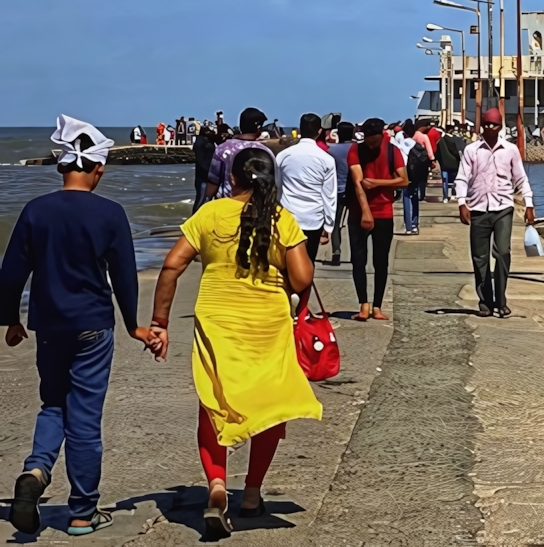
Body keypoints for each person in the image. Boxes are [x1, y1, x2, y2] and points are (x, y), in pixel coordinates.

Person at [149, 148, 322, 538]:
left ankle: (216, 487)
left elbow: (172, 265)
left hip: (217, 320)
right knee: (269, 404)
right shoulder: (280, 219)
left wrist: (160, 321)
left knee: (215, 403)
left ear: (234, 178)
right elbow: (301, 278)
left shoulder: (209, 214)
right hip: (266, 325)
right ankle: (252, 495)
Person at [0, 116, 158, 536]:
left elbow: (11, 272)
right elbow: (124, 275)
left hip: (48, 324)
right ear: (98, 168)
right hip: (93, 325)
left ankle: (35, 470)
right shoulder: (110, 213)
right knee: (85, 415)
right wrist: (134, 326)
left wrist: (11, 320)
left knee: (53, 402)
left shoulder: (36, 210)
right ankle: (82, 512)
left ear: (61, 166)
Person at [455, 107, 534, 319]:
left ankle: (501, 300)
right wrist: (462, 203)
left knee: (502, 253)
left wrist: (529, 203)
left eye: (494, 125)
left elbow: (520, 178)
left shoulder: (510, 150)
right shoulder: (472, 150)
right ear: (481, 125)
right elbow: (462, 178)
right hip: (479, 210)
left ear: (500, 126)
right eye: (487, 124)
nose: (490, 128)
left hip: (503, 209)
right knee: (480, 258)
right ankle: (485, 301)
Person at [347, 118, 407, 321]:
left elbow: (404, 180)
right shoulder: (356, 150)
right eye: (369, 141)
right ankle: (363, 304)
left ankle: (377, 306)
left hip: (384, 213)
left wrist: (376, 183)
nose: (372, 145)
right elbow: (357, 183)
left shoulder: (392, 150)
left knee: (380, 262)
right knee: (358, 260)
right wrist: (365, 212)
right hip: (358, 213)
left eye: (375, 141)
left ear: (381, 135)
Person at [276, 113, 337, 262]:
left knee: (285, 264)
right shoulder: (326, 159)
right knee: (308, 264)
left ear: (300, 130)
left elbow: (278, 186)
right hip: (313, 220)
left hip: (287, 218)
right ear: (319, 131)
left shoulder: (283, 156)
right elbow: (329, 195)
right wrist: (329, 226)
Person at [205, 107, 269, 202]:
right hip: (256, 207)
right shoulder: (264, 151)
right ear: (259, 128)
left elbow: (213, 181)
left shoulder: (222, 149)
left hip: (226, 205)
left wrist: (206, 203)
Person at [326, 121, 356, 267]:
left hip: (337, 190)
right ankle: (356, 254)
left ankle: (336, 251)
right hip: (355, 191)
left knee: (336, 224)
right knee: (354, 223)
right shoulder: (357, 148)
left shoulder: (331, 150)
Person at [403, 120, 434, 235]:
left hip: (405, 173)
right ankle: (415, 224)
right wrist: (432, 161)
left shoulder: (401, 142)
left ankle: (408, 226)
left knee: (406, 197)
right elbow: (429, 152)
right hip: (417, 171)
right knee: (415, 197)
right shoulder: (421, 139)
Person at [435, 124, 465, 202]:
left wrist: (438, 160)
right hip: (454, 163)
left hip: (444, 164)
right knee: (454, 181)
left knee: (445, 181)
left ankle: (445, 197)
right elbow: (458, 151)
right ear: (451, 130)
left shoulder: (440, 140)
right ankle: (453, 194)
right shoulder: (455, 140)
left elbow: (437, 152)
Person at [192, 125, 218, 211]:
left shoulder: (205, 141)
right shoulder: (201, 142)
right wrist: (209, 175)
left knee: (205, 200)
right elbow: (201, 161)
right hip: (204, 176)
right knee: (201, 200)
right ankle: (195, 218)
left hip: (206, 175)